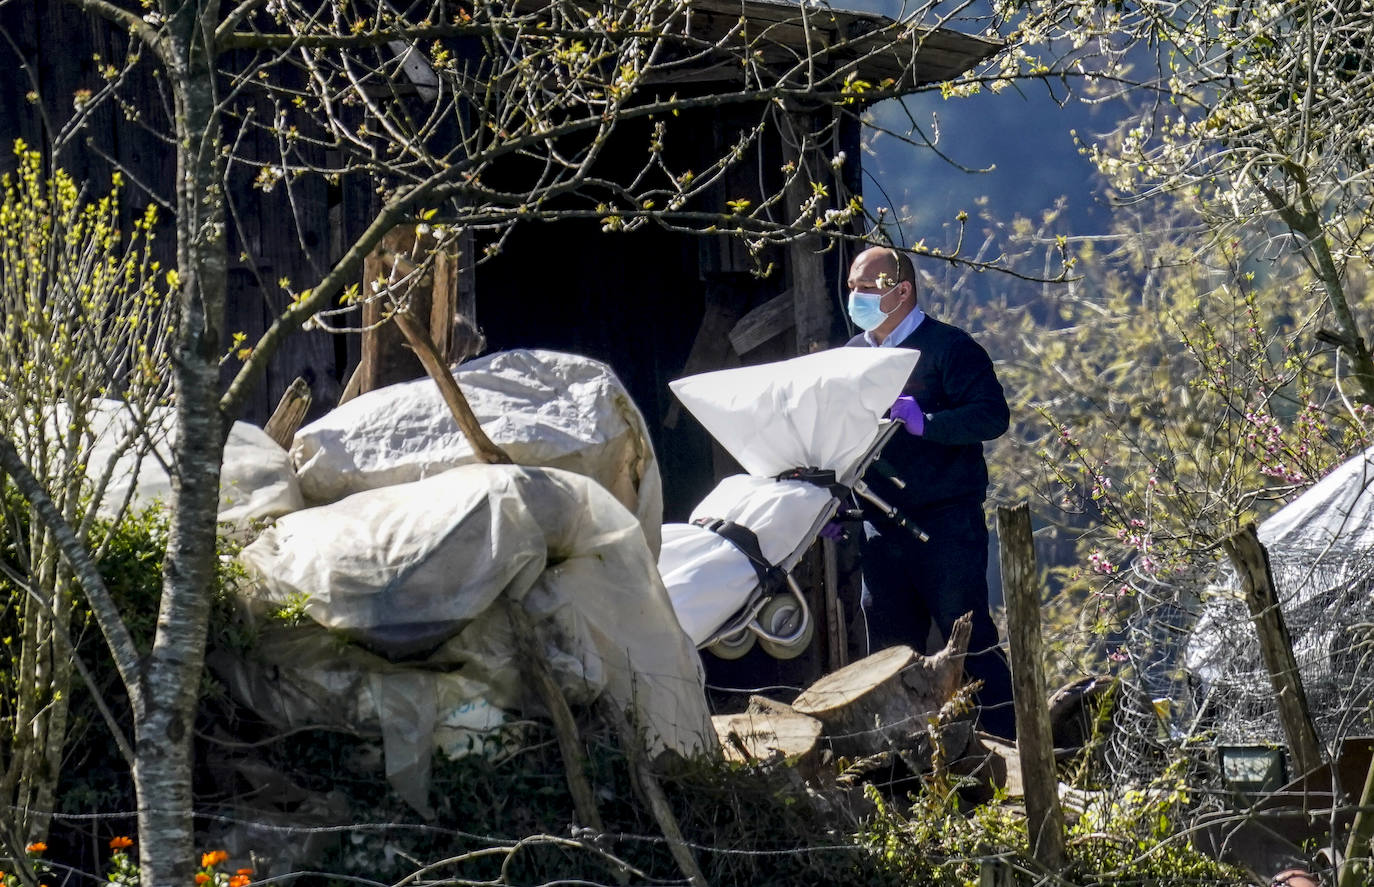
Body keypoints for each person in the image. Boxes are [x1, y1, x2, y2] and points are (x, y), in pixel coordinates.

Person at [841, 245, 1016, 739]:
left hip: (945, 524)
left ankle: (1009, 746)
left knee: (969, 640)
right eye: (852, 286)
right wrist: (831, 502)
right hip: (879, 524)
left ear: (902, 292)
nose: (855, 296)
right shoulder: (851, 357)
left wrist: (928, 422)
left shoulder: (947, 347)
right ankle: (901, 770)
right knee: (889, 652)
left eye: (867, 287)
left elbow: (992, 416)